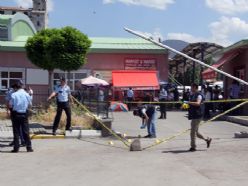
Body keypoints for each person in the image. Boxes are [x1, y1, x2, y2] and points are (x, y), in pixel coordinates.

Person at [184, 83, 212, 152]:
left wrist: (189, 102)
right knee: (196, 132)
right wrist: (186, 105)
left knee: (192, 132)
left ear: (195, 88)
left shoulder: (199, 95)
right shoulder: (193, 95)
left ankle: (193, 147)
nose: (191, 88)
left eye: (192, 87)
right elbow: (192, 104)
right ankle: (207, 139)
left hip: (197, 115)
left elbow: (198, 103)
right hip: (194, 115)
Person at [9, 81, 33, 153]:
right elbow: (30, 105)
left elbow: (10, 105)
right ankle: (29, 148)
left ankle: (16, 148)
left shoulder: (13, 95)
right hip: (24, 114)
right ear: (21, 87)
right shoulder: (26, 94)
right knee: (26, 131)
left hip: (15, 114)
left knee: (16, 132)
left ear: (16, 87)